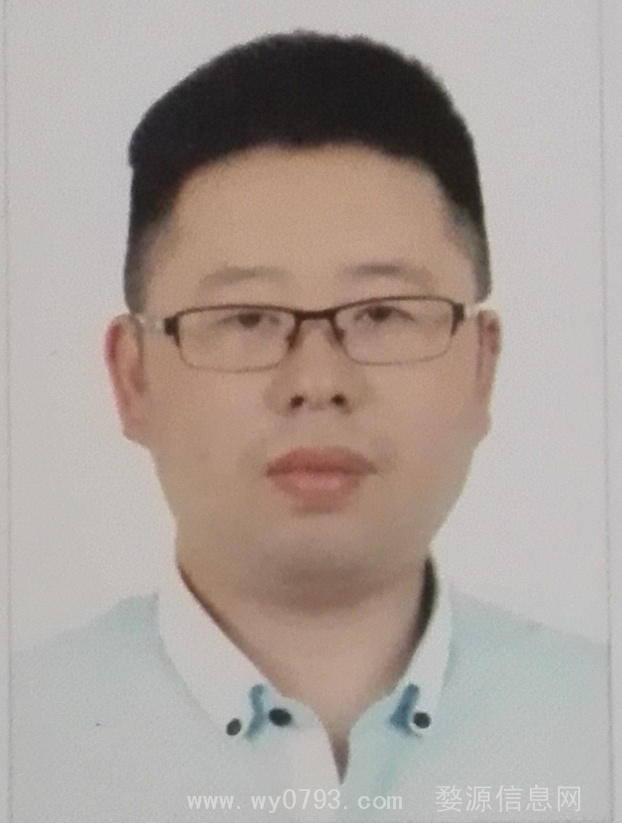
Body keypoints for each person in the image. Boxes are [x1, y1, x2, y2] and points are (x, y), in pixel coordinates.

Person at [12, 31, 609, 822]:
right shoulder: (23, 745)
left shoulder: (598, 728)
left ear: (481, 365)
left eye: (383, 313)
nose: (318, 382)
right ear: (133, 378)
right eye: (246, 316)